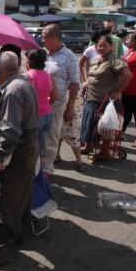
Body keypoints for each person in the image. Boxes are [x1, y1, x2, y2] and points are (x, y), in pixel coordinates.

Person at [0, 51, 40, 271]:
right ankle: (18, 237)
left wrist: (0, 157)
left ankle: (0, 252)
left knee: (6, 202)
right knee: (21, 196)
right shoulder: (24, 83)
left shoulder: (13, 90)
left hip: (18, 148)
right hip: (28, 146)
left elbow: (10, 129)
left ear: (0, 71)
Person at [41, 23, 84, 173]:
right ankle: (40, 165)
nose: (43, 42)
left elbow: (74, 84)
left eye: (45, 39)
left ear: (54, 38)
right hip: (40, 104)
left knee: (52, 137)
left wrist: (70, 107)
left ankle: (47, 169)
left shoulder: (70, 57)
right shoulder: (43, 53)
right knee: (40, 137)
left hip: (57, 104)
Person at [80, 32, 131, 150]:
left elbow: (127, 74)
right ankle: (88, 145)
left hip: (102, 99)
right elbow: (92, 73)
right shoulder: (98, 58)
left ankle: (103, 149)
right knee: (89, 123)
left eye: (104, 46)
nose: (101, 48)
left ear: (111, 46)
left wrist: (118, 90)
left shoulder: (114, 60)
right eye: (99, 46)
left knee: (102, 126)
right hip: (91, 97)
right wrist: (87, 81)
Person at [24, 48, 58, 167]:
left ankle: (33, 172)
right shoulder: (49, 76)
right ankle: (40, 170)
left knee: (30, 147)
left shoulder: (27, 76)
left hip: (34, 116)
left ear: (30, 61)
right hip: (47, 113)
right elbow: (55, 96)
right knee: (41, 145)